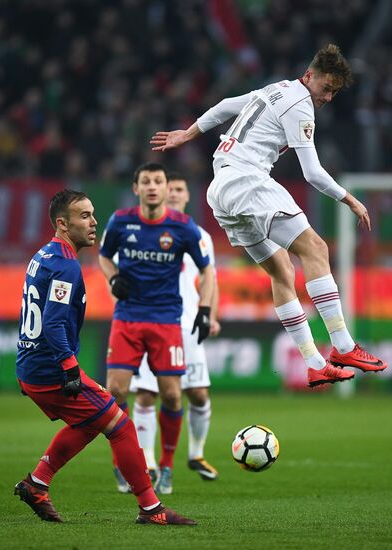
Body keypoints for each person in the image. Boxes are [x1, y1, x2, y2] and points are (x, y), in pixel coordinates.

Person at [150, 44, 387, 387]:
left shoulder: (274, 89)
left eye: (334, 91)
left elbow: (225, 106)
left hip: (221, 190)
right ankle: (344, 346)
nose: (328, 97)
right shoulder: (301, 104)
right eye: (326, 88)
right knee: (316, 249)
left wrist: (189, 133)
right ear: (310, 76)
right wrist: (349, 199)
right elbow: (313, 173)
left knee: (282, 270)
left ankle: (314, 363)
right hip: (248, 180)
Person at [14, 189, 196, 526]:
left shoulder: (43, 255)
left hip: (31, 364)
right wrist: (69, 368)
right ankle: (151, 509)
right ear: (62, 224)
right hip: (50, 368)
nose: (94, 221)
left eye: (93, 213)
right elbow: (53, 322)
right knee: (121, 426)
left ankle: (37, 483)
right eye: (84, 216)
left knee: (91, 421)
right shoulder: (67, 267)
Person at [99, 163, 214, 495]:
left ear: (166, 188)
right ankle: (121, 462)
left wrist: (205, 310)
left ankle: (166, 466)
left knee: (173, 395)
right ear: (136, 188)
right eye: (145, 181)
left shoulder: (183, 227)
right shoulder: (120, 221)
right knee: (116, 391)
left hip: (166, 320)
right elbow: (105, 257)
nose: (152, 186)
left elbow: (207, 271)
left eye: (158, 181)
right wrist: (113, 278)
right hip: (128, 317)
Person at [130, 173, 220, 492]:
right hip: (150, 320)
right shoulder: (142, 231)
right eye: (170, 189)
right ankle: (148, 463)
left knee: (196, 393)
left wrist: (211, 313)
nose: (173, 194)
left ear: (186, 196)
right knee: (146, 393)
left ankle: (195, 454)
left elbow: (211, 279)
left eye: (180, 189)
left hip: (188, 323)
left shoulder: (200, 235)